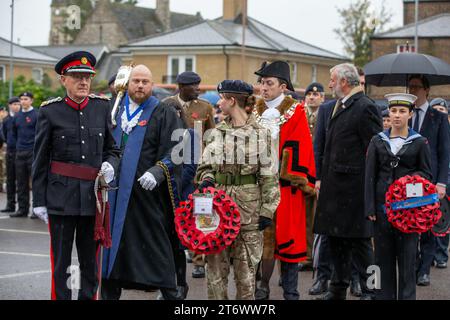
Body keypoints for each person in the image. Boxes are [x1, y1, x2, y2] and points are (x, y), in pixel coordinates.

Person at [32, 51, 120, 300]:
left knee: (90, 263)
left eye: (87, 77)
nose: (83, 82)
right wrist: (38, 200)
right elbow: (40, 160)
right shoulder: (50, 112)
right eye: (77, 77)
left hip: (92, 200)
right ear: (64, 80)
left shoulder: (101, 107)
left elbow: (112, 149)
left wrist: (111, 164)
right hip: (60, 198)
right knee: (60, 262)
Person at [101, 65, 184, 300]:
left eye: (145, 82)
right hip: (113, 197)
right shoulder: (113, 109)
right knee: (110, 253)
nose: (140, 85)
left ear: (152, 84)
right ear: (127, 84)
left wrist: (158, 171)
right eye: (136, 81)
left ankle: (172, 295)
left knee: (157, 251)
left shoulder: (163, 112)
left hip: (146, 197)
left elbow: (178, 149)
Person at [195, 79, 280, 299]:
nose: (219, 103)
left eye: (222, 98)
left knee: (246, 275)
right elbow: (205, 166)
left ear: (232, 101)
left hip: (249, 213)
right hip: (217, 211)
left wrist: (267, 211)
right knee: (214, 272)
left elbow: (270, 176)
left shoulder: (261, 134)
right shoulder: (217, 132)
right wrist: (206, 179)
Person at [313, 63, 382, 300]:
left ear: (344, 81)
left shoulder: (365, 107)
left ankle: (374, 288)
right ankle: (337, 288)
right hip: (336, 191)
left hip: (355, 192)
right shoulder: (339, 105)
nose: (329, 84)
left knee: (363, 246)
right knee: (337, 242)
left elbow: (374, 153)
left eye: (332, 79)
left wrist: (370, 192)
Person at [253, 61, 316, 300]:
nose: (263, 88)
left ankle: (291, 290)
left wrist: (279, 166)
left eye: (269, 83)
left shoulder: (296, 111)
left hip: (285, 185)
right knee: (261, 235)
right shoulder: (254, 109)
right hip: (259, 184)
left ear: (283, 87)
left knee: (288, 237)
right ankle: (262, 285)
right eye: (261, 82)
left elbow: (300, 145)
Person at [365, 93, 432, 300]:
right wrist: (369, 208)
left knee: (407, 262)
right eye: (393, 111)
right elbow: (369, 176)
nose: (396, 115)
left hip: (408, 214)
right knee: (380, 261)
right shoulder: (377, 141)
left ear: (410, 114)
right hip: (381, 212)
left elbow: (427, 174)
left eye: (402, 111)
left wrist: (409, 182)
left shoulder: (419, 142)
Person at [163, 71, 215, 279]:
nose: (198, 89)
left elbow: (211, 137)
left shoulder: (205, 107)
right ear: (182, 86)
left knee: (200, 214)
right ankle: (173, 256)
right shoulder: (166, 104)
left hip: (198, 171)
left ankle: (199, 259)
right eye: (194, 86)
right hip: (173, 169)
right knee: (175, 213)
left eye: (198, 84)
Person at [408, 75, 449, 286]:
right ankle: (412, 266)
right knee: (409, 225)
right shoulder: (403, 114)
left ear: (426, 90)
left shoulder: (438, 118)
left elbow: (444, 152)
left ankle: (424, 270)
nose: (412, 90)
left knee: (427, 226)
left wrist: (442, 182)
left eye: (416, 87)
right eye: (410, 86)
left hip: (431, 180)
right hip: (407, 181)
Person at [301, 82, 325, 272]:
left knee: (318, 216)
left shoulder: (325, 116)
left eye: (316, 95)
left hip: (318, 171)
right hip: (302, 172)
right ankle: (306, 256)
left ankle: (318, 257)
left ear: (322, 98)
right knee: (304, 217)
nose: (312, 97)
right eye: (309, 94)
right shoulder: (300, 115)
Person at [429, 97, 449, 269]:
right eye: (436, 109)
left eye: (442, 110)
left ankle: (441, 253)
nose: (439, 112)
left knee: (443, 219)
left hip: (446, 181)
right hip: (434, 179)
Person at [10, 92, 38, 218]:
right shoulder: (17, 116)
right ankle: (22, 209)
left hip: (33, 152)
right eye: (21, 99)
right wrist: (17, 147)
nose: (23, 101)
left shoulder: (37, 114)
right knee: (21, 183)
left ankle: (36, 210)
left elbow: (40, 134)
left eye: (26, 99)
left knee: (35, 182)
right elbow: (14, 133)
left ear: (31, 100)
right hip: (20, 152)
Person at [1, 97, 21, 212]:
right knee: (10, 179)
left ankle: (23, 207)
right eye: (14, 104)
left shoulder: (22, 117)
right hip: (10, 152)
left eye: (18, 104)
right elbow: (3, 133)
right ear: (9, 105)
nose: (16, 106)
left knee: (22, 181)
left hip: (21, 151)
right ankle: (10, 204)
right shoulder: (6, 120)